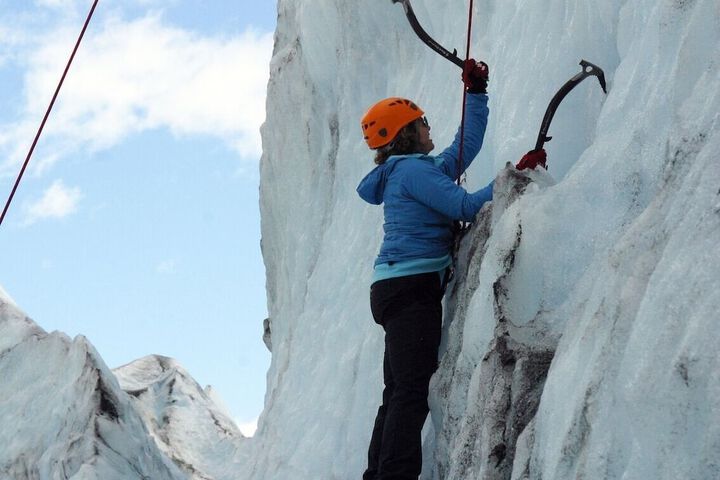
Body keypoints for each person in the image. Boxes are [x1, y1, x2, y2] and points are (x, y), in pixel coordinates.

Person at [356, 59, 547, 480]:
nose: (428, 127)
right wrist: (516, 175)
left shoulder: (414, 171)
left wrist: (476, 93)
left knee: (397, 392)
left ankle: (380, 474)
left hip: (398, 287)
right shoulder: (410, 172)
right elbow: (462, 206)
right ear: (405, 133)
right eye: (421, 122)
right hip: (410, 288)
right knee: (409, 391)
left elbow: (466, 145)